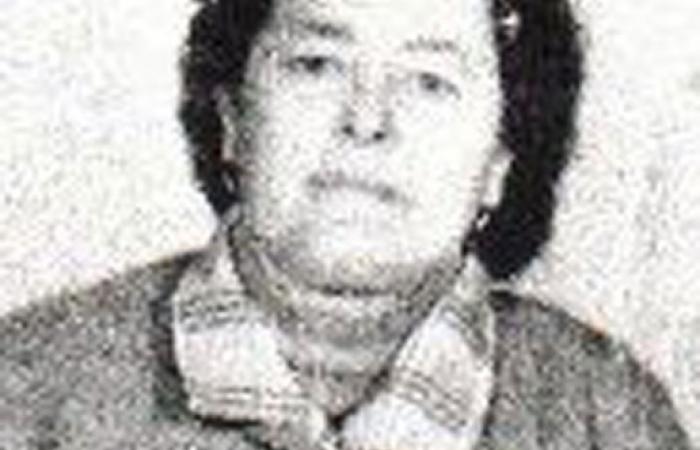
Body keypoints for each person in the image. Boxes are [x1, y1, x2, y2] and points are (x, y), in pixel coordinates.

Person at [0, 0, 691, 448]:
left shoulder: (609, 415)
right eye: (317, 65)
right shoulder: (29, 392)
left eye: (429, 81)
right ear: (232, 119)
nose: (366, 121)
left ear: (501, 161)